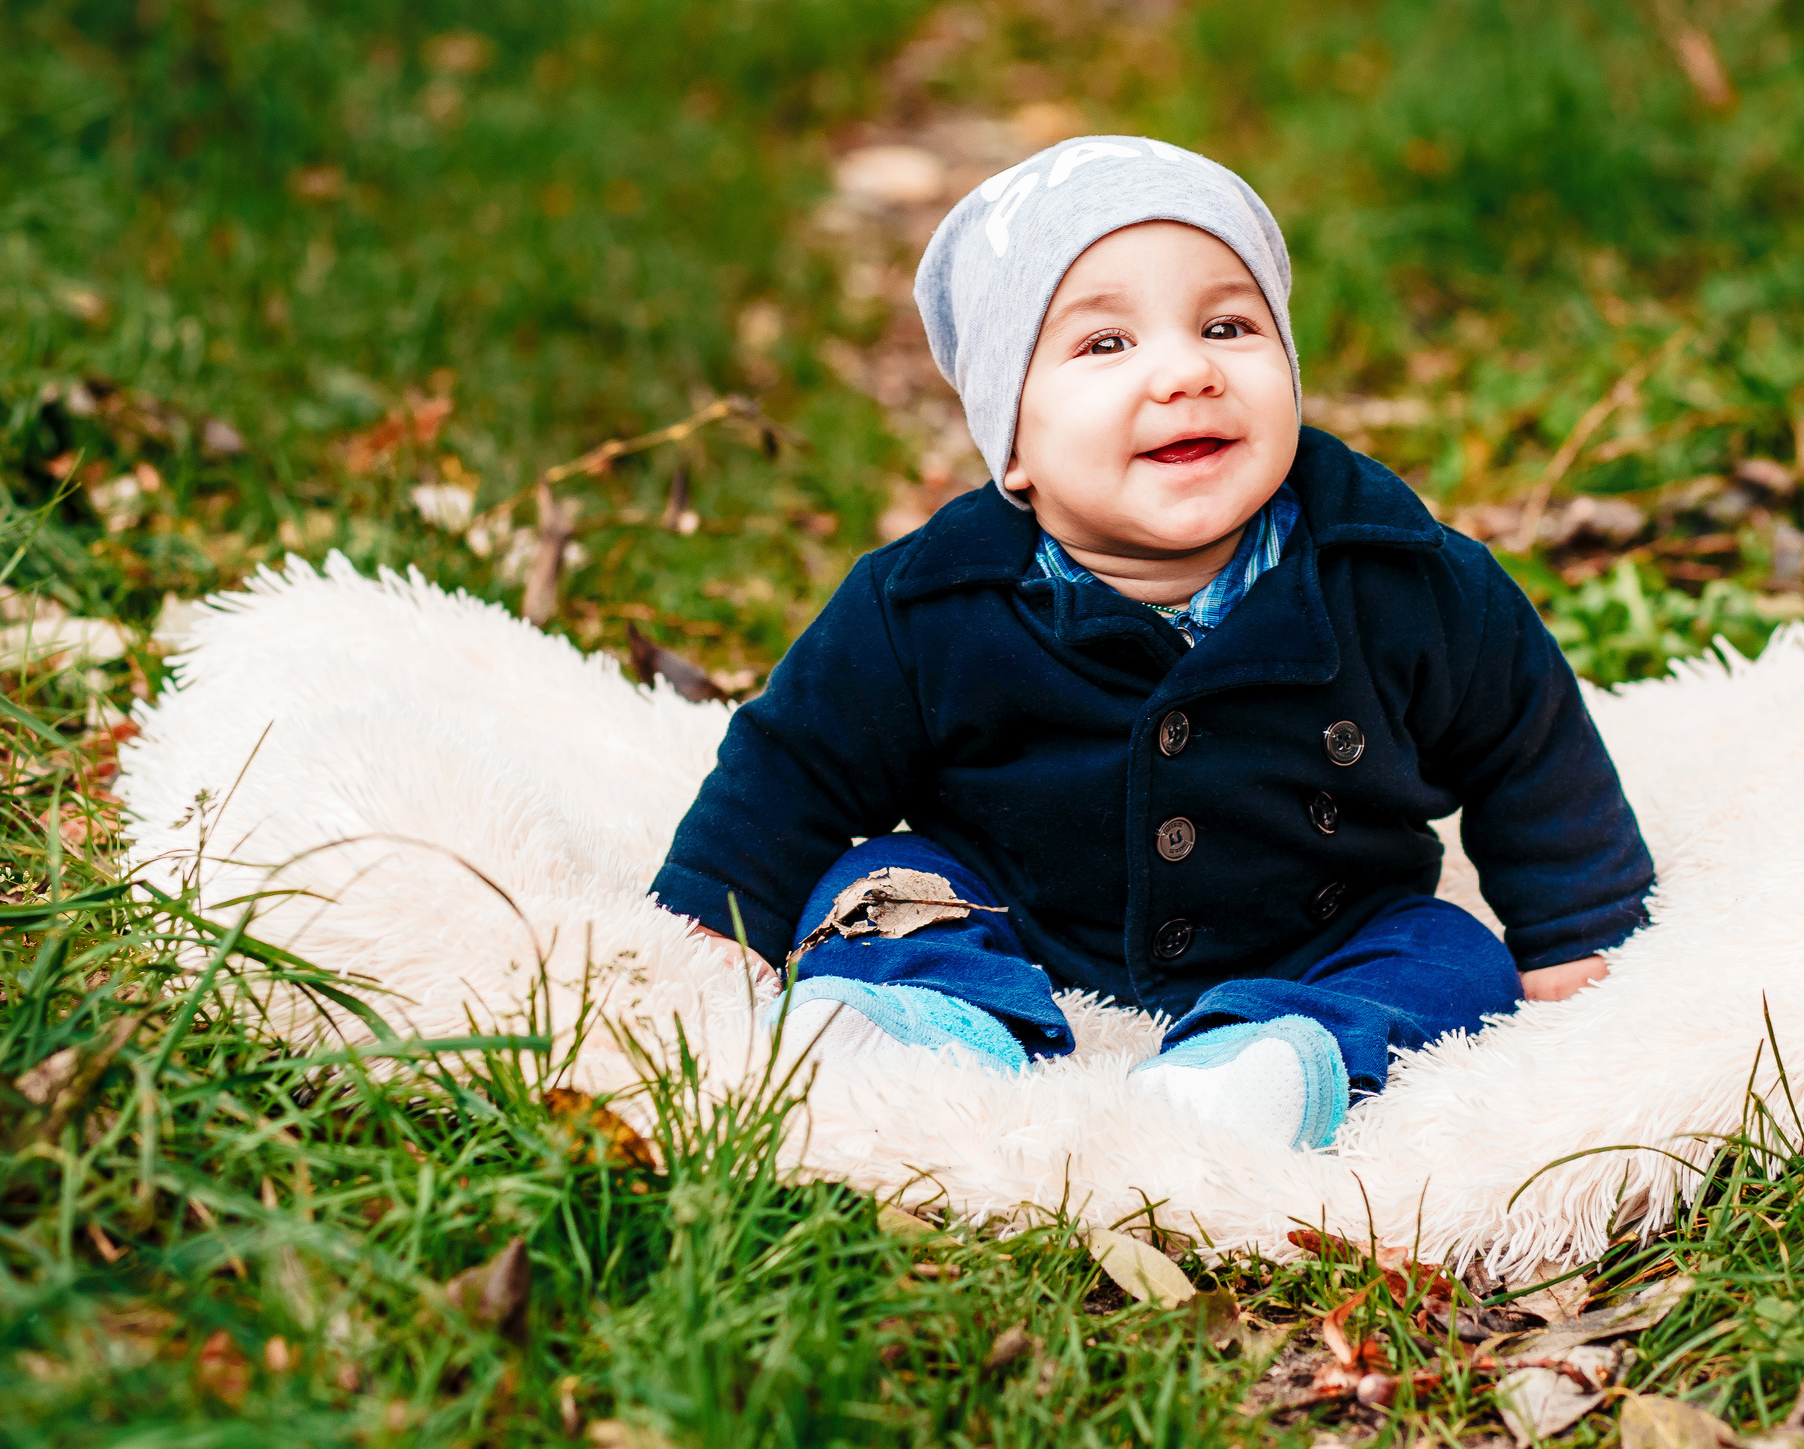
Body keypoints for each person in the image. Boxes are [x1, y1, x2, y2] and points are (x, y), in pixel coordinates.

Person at [650, 136, 1654, 1150]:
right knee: (882, 884)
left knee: (1452, 957)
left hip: (1325, 929)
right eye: (1105, 344)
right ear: (1012, 443)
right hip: (1013, 909)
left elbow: (1526, 738)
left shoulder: (1402, 576)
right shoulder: (923, 603)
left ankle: (1269, 1066)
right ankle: (916, 1024)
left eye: (1227, 326)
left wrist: (1578, 927)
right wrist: (713, 912)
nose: (1186, 370)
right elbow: (797, 761)